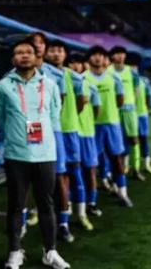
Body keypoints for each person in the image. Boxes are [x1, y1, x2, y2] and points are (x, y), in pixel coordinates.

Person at [0, 40, 70, 269]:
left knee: (46, 204)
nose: (24, 55)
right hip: (16, 154)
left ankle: (50, 251)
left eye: (28, 52)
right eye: (19, 52)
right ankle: (14, 252)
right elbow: (0, 118)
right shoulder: (3, 86)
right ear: (13, 59)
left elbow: (54, 116)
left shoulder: (49, 85)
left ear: (37, 56)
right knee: (15, 205)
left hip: (45, 153)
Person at [28, 33, 72, 243]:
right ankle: (28, 216)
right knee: (29, 175)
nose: (37, 46)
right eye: (33, 43)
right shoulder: (18, 70)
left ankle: (63, 223)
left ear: (45, 48)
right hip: (29, 128)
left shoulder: (56, 73)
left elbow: (59, 104)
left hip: (52, 129)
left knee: (60, 175)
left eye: (41, 43)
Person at [45, 40, 93, 232]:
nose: (56, 54)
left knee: (73, 172)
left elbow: (81, 102)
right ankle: (50, 215)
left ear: (64, 54)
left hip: (69, 130)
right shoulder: (41, 73)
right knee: (48, 175)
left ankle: (80, 214)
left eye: (60, 50)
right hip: (48, 131)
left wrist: (69, 117)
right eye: (52, 50)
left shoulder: (72, 76)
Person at [84, 46, 132, 207]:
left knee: (116, 158)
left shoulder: (114, 77)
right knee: (90, 163)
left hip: (112, 123)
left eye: (101, 55)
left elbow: (120, 100)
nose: (98, 58)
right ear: (89, 59)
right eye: (94, 55)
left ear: (105, 59)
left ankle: (122, 192)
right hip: (91, 126)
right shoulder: (83, 78)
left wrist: (109, 110)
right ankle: (91, 200)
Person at [68, 53, 103, 217]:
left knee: (90, 169)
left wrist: (87, 122)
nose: (75, 66)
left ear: (83, 65)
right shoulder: (62, 83)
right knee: (70, 171)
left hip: (87, 133)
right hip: (70, 133)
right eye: (71, 63)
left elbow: (96, 108)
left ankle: (92, 203)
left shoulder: (90, 85)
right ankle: (68, 204)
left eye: (78, 63)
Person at [108, 46, 143, 181]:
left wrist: (132, 102)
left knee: (134, 139)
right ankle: (115, 170)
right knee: (115, 142)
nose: (120, 56)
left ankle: (136, 168)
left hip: (129, 110)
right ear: (112, 56)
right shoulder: (108, 71)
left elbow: (137, 90)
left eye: (122, 53)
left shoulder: (132, 72)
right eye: (117, 54)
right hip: (113, 110)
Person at [130, 52, 151, 175]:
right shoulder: (124, 79)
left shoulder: (144, 80)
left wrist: (146, 108)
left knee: (143, 139)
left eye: (134, 65)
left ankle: (146, 164)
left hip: (141, 115)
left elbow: (148, 96)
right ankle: (128, 165)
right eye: (131, 65)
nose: (133, 68)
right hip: (129, 115)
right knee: (130, 140)